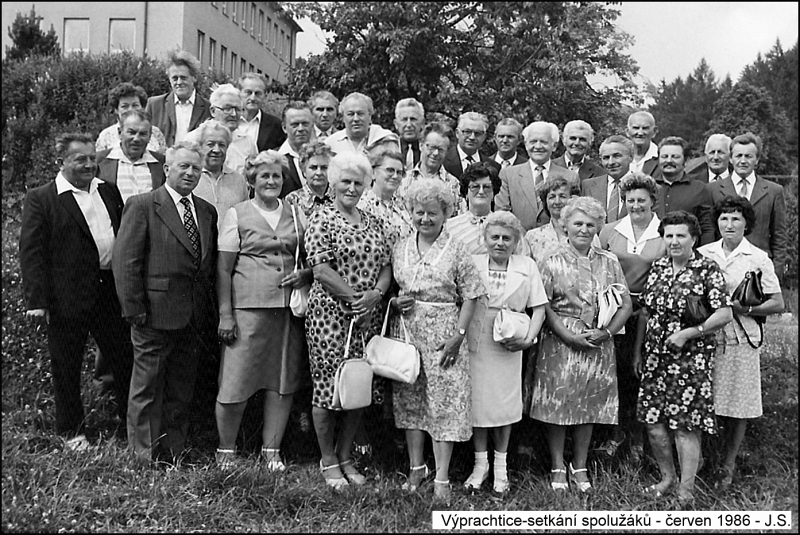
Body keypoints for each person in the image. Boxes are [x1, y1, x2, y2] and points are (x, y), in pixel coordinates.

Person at [19, 133, 133, 450]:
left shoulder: (108, 190)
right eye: (80, 159)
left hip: (110, 292)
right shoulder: (43, 198)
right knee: (67, 366)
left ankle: (130, 426)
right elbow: (31, 253)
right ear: (62, 161)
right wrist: (37, 301)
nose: (88, 164)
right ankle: (72, 432)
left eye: (92, 158)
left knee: (124, 360)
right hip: (66, 297)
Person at [113, 141, 219, 466]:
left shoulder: (206, 211)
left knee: (180, 389)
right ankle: (143, 457)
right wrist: (134, 310)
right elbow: (126, 262)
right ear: (167, 168)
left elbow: (207, 267)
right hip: (153, 314)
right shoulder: (143, 205)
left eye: (196, 168)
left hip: (193, 317)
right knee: (146, 388)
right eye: (183, 166)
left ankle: (173, 453)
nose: (190, 173)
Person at [214, 151, 313, 470]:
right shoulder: (238, 213)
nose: (271, 181)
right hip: (248, 311)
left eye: (277, 176)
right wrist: (226, 314)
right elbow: (223, 269)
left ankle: (272, 451)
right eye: (264, 176)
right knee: (236, 382)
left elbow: (309, 257)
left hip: (286, 312)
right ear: (251, 180)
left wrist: (305, 274)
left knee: (282, 382)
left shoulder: (296, 212)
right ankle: (226, 450)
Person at [391, 179, 486, 503]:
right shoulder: (401, 246)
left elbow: (472, 294)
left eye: (432, 213)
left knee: (444, 404)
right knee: (411, 401)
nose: (425, 219)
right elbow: (395, 288)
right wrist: (396, 302)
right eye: (419, 212)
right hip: (408, 334)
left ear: (445, 213)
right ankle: (416, 467)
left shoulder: (457, 249)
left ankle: (442, 476)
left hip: (444, 336)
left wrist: (458, 336)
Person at [528, 196, 632, 493]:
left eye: (590, 224)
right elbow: (543, 304)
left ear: (598, 227)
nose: (584, 229)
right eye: (578, 223)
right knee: (558, 403)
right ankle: (557, 465)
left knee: (588, 403)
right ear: (566, 225)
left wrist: (607, 333)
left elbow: (625, 304)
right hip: (560, 339)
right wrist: (568, 335)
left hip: (598, 339)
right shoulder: (550, 259)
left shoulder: (609, 261)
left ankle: (580, 465)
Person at [303, 152, 392, 491]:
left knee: (358, 385)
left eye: (358, 182)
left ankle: (345, 456)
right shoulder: (321, 218)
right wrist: (356, 301)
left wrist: (376, 296)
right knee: (328, 387)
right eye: (345, 181)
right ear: (333, 183)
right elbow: (321, 270)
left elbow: (386, 266)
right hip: (330, 316)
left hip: (368, 316)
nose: (352, 188)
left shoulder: (373, 221)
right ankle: (327, 460)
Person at [633, 210, 732, 503]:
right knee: (654, 423)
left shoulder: (707, 269)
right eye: (669, 236)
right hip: (655, 357)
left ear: (693, 239)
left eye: (681, 235)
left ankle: (686, 490)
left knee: (685, 426)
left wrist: (689, 333)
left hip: (690, 360)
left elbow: (724, 313)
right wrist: (638, 351)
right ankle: (667, 478)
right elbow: (646, 312)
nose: (674, 241)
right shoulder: (659, 267)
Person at [698, 196, 784, 489]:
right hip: (708, 337)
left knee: (739, 403)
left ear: (747, 223)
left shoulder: (757, 258)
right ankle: (703, 457)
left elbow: (777, 303)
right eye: (724, 218)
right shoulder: (703, 254)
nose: (729, 224)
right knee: (705, 398)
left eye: (736, 218)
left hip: (742, 337)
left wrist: (744, 308)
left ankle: (728, 463)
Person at [465, 211, 547, 494]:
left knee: (504, 403)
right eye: (494, 237)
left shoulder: (527, 265)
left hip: (510, 340)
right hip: (477, 339)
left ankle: (501, 465)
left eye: (506, 238)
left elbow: (539, 308)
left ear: (515, 241)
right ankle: (480, 464)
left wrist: (529, 339)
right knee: (478, 403)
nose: (500, 243)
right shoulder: (472, 263)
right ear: (485, 238)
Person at [597, 173, 665, 463]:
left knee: (641, 376)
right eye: (630, 200)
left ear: (653, 201)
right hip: (615, 312)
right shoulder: (609, 230)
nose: (636, 205)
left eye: (642, 200)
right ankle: (614, 435)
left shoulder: (664, 231)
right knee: (616, 374)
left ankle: (638, 439)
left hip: (649, 314)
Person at [707, 132, 787, 282]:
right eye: (738, 156)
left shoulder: (774, 191)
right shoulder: (713, 189)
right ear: (731, 159)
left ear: (757, 159)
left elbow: (779, 236)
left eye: (748, 156)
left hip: (760, 271)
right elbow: (709, 232)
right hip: (722, 270)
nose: (743, 161)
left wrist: (776, 273)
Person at [495, 121, 579, 231]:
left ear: (554, 146)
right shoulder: (508, 175)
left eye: (543, 142)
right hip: (518, 239)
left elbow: (573, 215)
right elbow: (502, 214)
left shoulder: (570, 177)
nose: (538, 146)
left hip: (556, 239)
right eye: (533, 141)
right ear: (526, 144)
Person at [447, 162, 529, 256]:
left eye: (487, 187)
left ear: (493, 193)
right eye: (475, 187)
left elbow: (523, 257)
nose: (481, 191)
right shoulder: (450, 226)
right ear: (466, 193)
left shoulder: (507, 224)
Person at [654, 136, 715, 245]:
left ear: (685, 161)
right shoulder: (648, 188)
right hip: (651, 251)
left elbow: (707, 228)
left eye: (675, 157)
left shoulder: (699, 189)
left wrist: (703, 252)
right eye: (664, 156)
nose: (669, 160)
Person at [96, 109, 166, 204]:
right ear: (120, 133)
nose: (136, 139)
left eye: (143, 134)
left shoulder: (161, 162)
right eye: (131, 132)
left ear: (149, 136)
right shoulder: (99, 161)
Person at [185, 84, 256, 176]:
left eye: (238, 109)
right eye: (227, 109)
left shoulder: (247, 141)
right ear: (213, 111)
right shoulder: (193, 139)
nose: (234, 114)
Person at [398, 121, 466, 216]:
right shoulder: (402, 180)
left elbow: (460, 217)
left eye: (441, 149)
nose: (435, 153)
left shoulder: (453, 185)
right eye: (432, 147)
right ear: (421, 145)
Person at [145, 50, 211, 146]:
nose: (179, 82)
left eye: (183, 78)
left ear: (194, 77)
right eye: (175, 78)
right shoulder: (154, 105)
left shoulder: (208, 108)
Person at [191, 121, 249, 230]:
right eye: (210, 144)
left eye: (222, 145)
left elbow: (245, 218)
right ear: (200, 146)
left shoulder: (238, 180)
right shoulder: (191, 177)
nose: (216, 150)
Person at [525, 176, 592, 263]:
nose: (557, 202)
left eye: (562, 196)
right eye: (552, 197)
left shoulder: (586, 232)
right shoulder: (532, 236)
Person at [358, 149, 413, 249]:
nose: (395, 176)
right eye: (390, 170)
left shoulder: (403, 204)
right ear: (373, 173)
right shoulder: (361, 205)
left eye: (399, 172)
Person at [96, 82, 167, 154]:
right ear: (116, 110)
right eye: (124, 106)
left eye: (135, 105)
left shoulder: (155, 133)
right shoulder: (106, 136)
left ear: (142, 107)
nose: (131, 110)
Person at [324, 92, 400, 156]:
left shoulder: (385, 140)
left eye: (360, 114)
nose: (356, 119)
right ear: (343, 118)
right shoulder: (331, 144)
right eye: (351, 114)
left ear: (369, 116)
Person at [583, 135, 636, 224]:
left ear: (631, 157)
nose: (611, 162)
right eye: (606, 158)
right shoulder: (588, 186)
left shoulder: (644, 187)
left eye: (617, 156)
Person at [443, 112, 501, 179]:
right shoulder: (443, 161)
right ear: (457, 133)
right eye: (467, 132)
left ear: (484, 136)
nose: (472, 137)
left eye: (478, 133)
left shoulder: (494, 166)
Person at [236, 72, 285, 152]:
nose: (253, 98)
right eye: (248, 92)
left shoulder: (275, 125)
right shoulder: (230, 121)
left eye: (258, 93)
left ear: (265, 96)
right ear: (239, 93)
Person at [285, 141, 336, 217]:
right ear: (303, 170)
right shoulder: (293, 200)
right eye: (313, 167)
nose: (319, 173)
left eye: (324, 168)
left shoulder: (339, 197)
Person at [276, 101, 315, 197]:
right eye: (295, 124)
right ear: (284, 128)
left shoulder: (325, 157)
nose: (301, 128)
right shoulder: (274, 159)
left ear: (312, 125)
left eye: (305, 124)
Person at [394, 98, 425, 172]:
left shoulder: (429, 151)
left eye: (413, 119)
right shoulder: (389, 149)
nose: (409, 125)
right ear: (396, 124)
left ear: (422, 123)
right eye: (404, 119)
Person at [625, 110, 659, 177]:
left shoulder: (662, 158)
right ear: (627, 131)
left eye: (645, 128)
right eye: (636, 128)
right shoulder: (618, 157)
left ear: (654, 132)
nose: (640, 133)